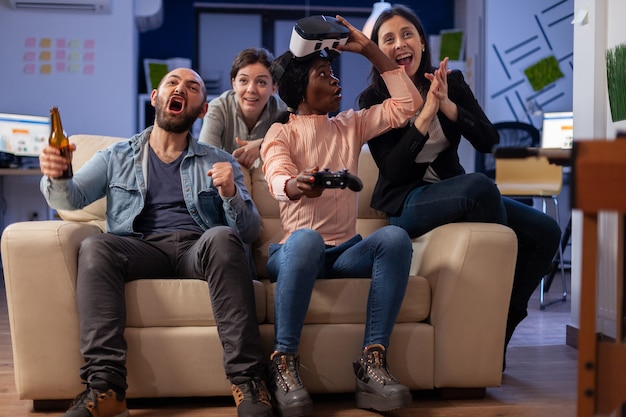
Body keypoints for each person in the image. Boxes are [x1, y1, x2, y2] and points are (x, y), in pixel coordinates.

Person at [39, 68, 274, 417]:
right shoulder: (117, 156)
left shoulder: (219, 160)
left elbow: (250, 231)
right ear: (156, 98)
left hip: (198, 250)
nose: (181, 88)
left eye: (193, 87)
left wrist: (230, 194)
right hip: (141, 248)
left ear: (201, 109)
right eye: (172, 83)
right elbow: (71, 199)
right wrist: (57, 175)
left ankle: (249, 383)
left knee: (224, 237)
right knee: (96, 246)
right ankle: (106, 389)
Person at [357, 4, 561, 370]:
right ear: (378, 52)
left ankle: (504, 320)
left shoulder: (451, 83)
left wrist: (448, 106)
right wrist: (424, 116)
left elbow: (489, 139)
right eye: (388, 39)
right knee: (481, 188)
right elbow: (394, 168)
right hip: (407, 203)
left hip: (453, 192)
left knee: (546, 229)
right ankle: (489, 314)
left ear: (422, 42)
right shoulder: (373, 100)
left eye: (407, 34)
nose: (400, 43)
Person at [261, 15, 422, 417]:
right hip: (294, 251)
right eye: (323, 73)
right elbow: (277, 177)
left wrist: (369, 48)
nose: (335, 80)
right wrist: (300, 185)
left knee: (394, 238)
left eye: (333, 72)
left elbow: (408, 105)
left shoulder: (350, 125)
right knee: (307, 239)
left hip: (344, 252)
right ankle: (283, 364)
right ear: (299, 88)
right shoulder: (280, 133)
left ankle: (372, 363)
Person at [199, 47, 287, 169]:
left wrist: (263, 145)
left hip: (268, 179)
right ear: (234, 84)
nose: (251, 89)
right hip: (228, 178)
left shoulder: (284, 112)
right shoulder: (218, 108)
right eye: (243, 81)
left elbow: (299, 148)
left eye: (261, 82)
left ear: (273, 88)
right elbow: (205, 158)